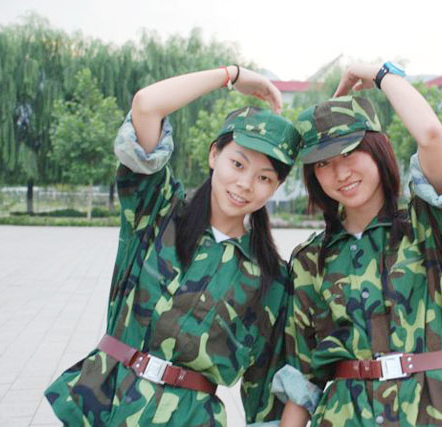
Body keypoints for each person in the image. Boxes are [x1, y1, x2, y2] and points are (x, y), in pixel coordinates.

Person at [44, 65, 300, 426]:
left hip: (189, 417)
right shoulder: (158, 209)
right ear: (214, 155)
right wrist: (231, 75)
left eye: (264, 178)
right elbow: (147, 105)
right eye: (238, 164)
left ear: (275, 188)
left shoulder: (272, 279)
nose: (245, 184)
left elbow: (265, 395)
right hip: (104, 404)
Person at [272, 63, 442, 426]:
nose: (340, 173)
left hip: (437, 411)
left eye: (350, 153)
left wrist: (380, 74)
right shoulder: (311, 259)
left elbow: (431, 135)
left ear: (378, 149)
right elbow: (303, 376)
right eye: (323, 163)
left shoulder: (427, 226)